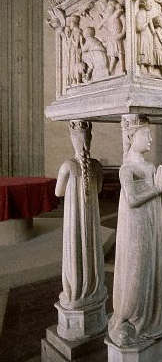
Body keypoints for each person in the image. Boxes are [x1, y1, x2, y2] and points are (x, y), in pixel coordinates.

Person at [108, 115, 162, 347]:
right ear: (133, 137)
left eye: (151, 134)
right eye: (146, 134)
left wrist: (157, 187)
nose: (151, 138)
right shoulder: (127, 168)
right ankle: (125, 317)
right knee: (135, 271)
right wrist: (157, 188)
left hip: (151, 224)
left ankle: (149, 320)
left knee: (150, 268)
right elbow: (132, 200)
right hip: (134, 227)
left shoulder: (149, 166)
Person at [55, 121, 106, 312]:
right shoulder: (96, 166)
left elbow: (58, 192)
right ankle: (93, 288)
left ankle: (75, 291)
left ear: (72, 140)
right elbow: (99, 189)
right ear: (90, 139)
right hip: (90, 217)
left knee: (76, 248)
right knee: (90, 248)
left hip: (74, 218)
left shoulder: (67, 166)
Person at [136, 0, 154, 73]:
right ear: (144, 3)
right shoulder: (139, 14)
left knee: (149, 50)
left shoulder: (148, 15)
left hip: (148, 35)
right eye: (150, 3)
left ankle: (149, 68)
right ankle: (142, 67)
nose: (151, 5)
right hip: (143, 35)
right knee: (142, 50)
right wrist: (146, 22)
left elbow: (153, 30)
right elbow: (139, 28)